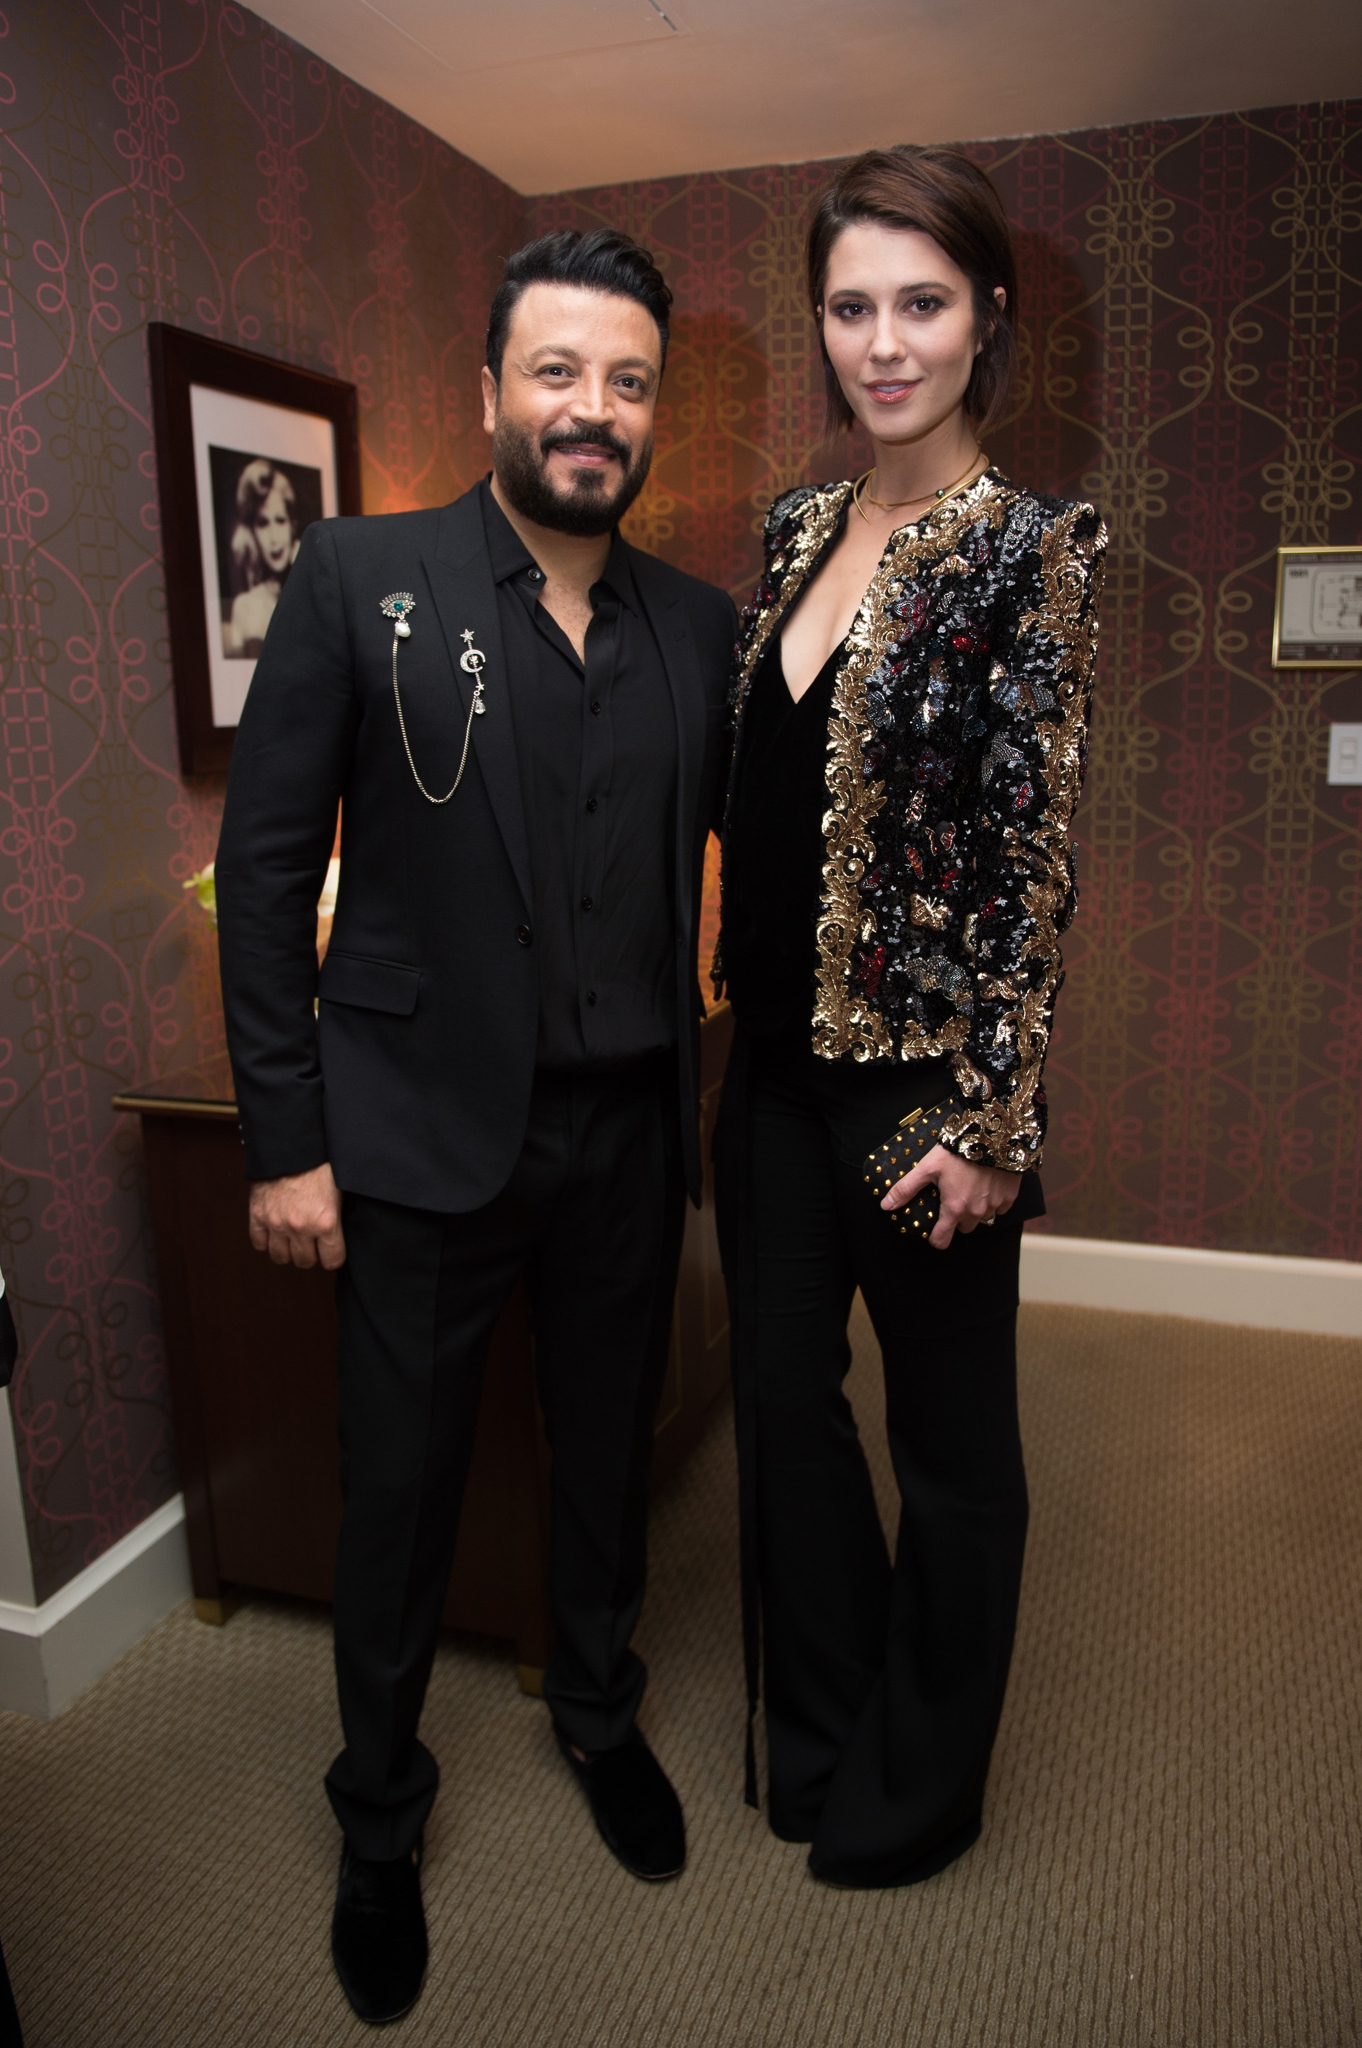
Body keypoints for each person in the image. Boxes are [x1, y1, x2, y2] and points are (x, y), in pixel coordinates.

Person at [215, 229, 736, 2024]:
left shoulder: (698, 628)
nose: (594, 409)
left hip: (624, 1138)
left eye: (628, 381)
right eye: (559, 371)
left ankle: (596, 1711)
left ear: (653, 410)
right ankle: (379, 1815)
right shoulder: (362, 577)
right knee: (400, 1493)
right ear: (492, 389)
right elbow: (266, 874)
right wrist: (284, 1140)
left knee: (603, 1460)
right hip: (418, 1139)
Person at [713, 145, 1107, 1889]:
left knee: (948, 1447)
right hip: (766, 1079)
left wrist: (993, 1121)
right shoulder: (793, 531)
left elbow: (1031, 857)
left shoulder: (1031, 549)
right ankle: (820, 1727)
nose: (882, 342)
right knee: (781, 1412)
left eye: (921, 303)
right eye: (850, 305)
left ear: (984, 318)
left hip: (916, 1090)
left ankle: (919, 1782)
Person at [223, 459, 301, 657]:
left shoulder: (315, 598)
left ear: (292, 525)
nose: (274, 538)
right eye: (263, 524)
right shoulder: (246, 606)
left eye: (280, 521)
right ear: (252, 532)